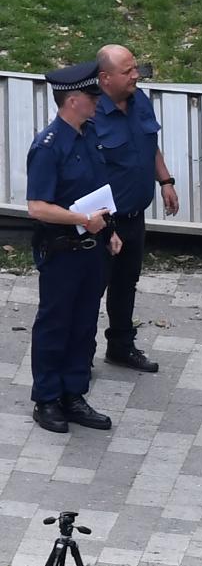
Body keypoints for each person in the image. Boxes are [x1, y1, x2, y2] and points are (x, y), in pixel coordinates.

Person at [26, 61, 125, 433]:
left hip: (92, 250)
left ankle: (73, 393)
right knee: (56, 324)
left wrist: (109, 230)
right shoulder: (49, 147)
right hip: (62, 251)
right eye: (91, 96)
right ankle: (47, 399)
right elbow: (37, 207)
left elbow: (98, 192)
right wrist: (83, 221)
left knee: (84, 324)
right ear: (72, 102)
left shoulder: (89, 135)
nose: (97, 102)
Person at [93, 44, 179, 373]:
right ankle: (80, 355)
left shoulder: (139, 100)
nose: (136, 75)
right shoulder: (92, 115)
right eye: (128, 71)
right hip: (102, 223)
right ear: (105, 78)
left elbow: (149, 143)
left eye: (135, 68)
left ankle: (121, 346)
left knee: (126, 284)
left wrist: (166, 180)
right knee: (92, 288)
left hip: (134, 216)